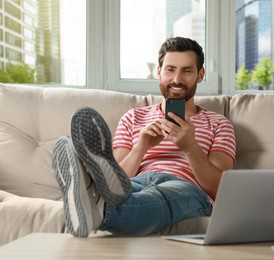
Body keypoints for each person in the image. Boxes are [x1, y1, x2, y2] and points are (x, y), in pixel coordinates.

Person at [52, 36, 236, 237]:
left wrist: (190, 146)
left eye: (187, 70)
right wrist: (141, 146)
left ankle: (95, 202)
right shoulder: (133, 118)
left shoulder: (218, 123)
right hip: (137, 182)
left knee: (162, 195)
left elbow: (220, 189)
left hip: (187, 189)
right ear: (159, 72)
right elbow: (115, 181)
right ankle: (93, 196)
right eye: (170, 69)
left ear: (200, 75)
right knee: (126, 193)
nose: (177, 79)